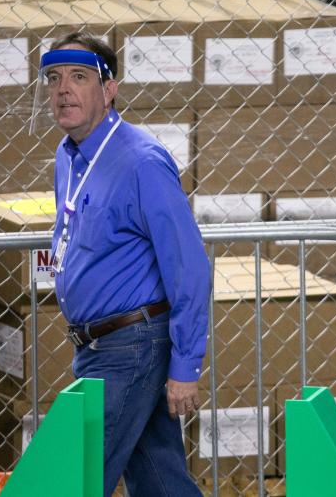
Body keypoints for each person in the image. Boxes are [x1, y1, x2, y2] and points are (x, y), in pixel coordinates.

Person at [34, 31, 211, 497]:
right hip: (97, 346)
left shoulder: (141, 163)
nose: (62, 89)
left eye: (79, 77)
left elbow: (188, 265)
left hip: (130, 346)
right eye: (53, 78)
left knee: (76, 478)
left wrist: (186, 365)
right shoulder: (67, 157)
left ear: (109, 90)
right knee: (160, 480)